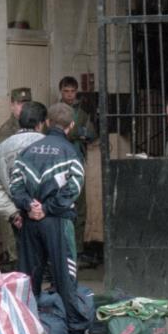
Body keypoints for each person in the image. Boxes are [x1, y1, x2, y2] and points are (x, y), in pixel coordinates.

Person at [10, 102, 103, 334]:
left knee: (29, 277)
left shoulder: (27, 151)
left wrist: (30, 206)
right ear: (70, 125)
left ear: (47, 123)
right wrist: (49, 208)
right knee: (65, 276)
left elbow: (15, 185)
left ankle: (25, 331)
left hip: (30, 222)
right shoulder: (71, 152)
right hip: (58, 222)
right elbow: (74, 187)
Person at [0, 101, 47, 266]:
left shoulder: (4, 147)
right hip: (47, 214)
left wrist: (12, 213)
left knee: (25, 263)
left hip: (19, 216)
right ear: (41, 124)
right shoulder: (50, 145)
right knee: (49, 263)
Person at [59, 76, 97, 264]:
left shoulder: (81, 113)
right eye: (66, 91)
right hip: (60, 164)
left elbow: (91, 134)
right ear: (61, 92)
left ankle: (78, 249)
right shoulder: (56, 111)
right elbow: (60, 133)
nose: (69, 95)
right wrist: (78, 132)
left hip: (78, 162)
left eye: (72, 91)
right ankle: (62, 249)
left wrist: (78, 132)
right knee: (60, 206)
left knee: (80, 207)